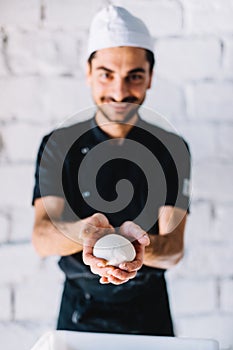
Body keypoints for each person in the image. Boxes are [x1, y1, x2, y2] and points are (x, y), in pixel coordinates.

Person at [32, 5, 191, 336]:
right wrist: (87, 233)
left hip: (149, 310)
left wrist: (139, 247)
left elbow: (174, 247)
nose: (119, 93)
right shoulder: (59, 144)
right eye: (106, 73)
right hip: (80, 308)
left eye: (134, 75)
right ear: (88, 72)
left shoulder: (172, 149)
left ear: (150, 77)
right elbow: (41, 237)